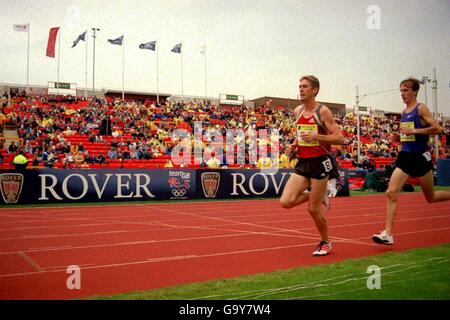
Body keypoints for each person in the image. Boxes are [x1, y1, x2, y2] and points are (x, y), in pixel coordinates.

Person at [372, 77, 450, 245]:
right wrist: (397, 138)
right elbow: (408, 135)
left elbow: (437, 128)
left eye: (406, 90)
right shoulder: (404, 112)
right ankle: (387, 234)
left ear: (414, 91)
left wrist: (414, 129)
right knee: (391, 192)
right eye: (401, 91)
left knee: (431, 197)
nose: (402, 94)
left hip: (420, 157)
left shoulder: (421, 108)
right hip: (406, 156)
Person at [280, 75, 344, 256]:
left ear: (314, 90)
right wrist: (293, 145)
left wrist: (317, 137)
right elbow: (302, 134)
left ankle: (326, 242)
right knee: (286, 201)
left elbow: (340, 138)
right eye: (299, 86)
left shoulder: (323, 112)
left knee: (313, 209)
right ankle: (317, 194)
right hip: (303, 161)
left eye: (305, 86)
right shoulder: (298, 110)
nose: (301, 89)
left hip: (320, 163)